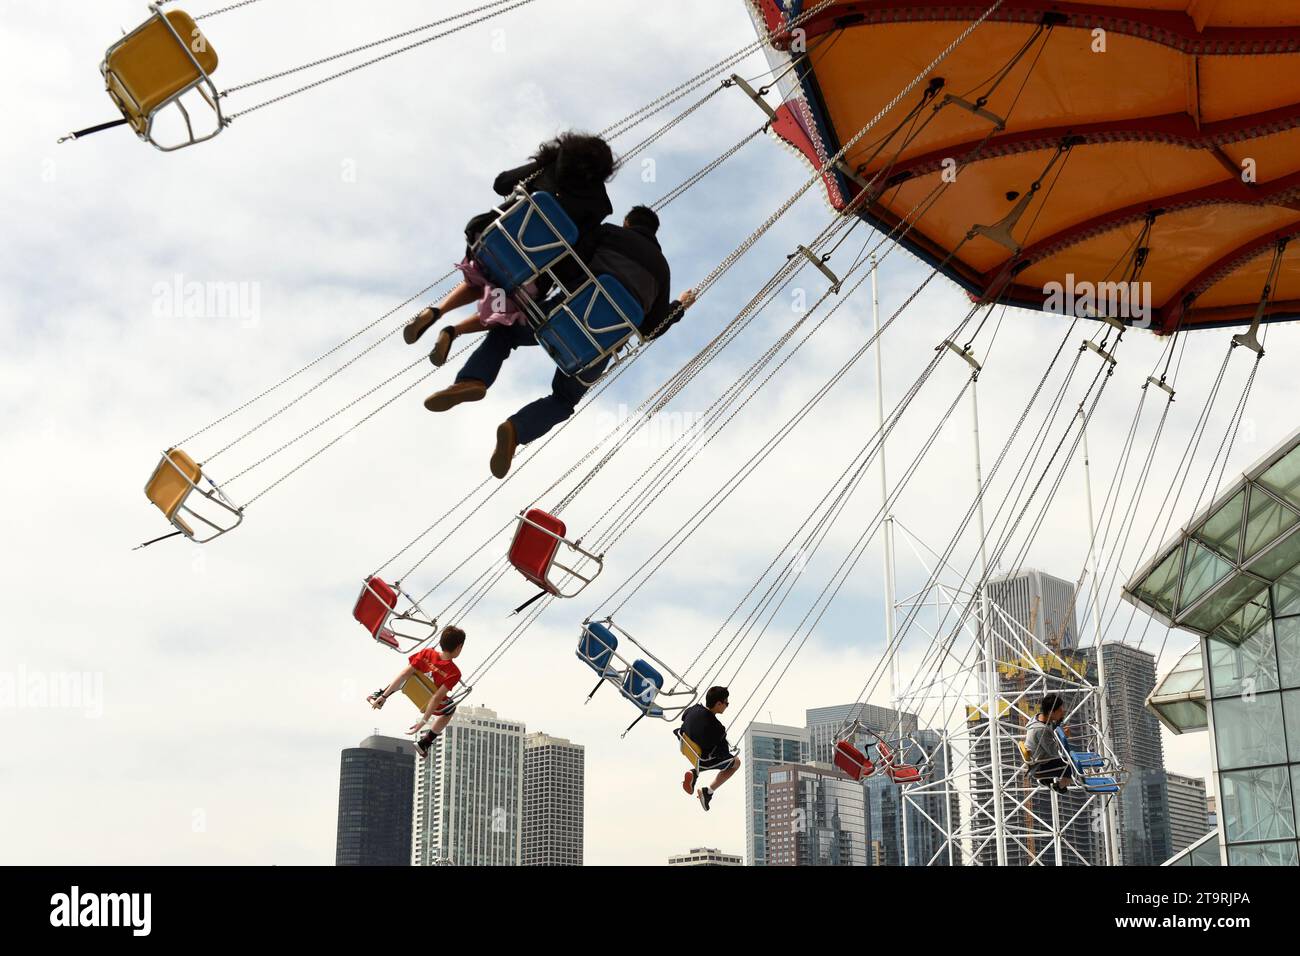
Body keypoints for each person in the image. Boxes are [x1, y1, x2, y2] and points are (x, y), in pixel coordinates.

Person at [422, 205, 698, 478]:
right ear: (655, 233)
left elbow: (568, 262)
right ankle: (516, 429)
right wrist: (679, 308)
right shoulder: (663, 271)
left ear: (627, 222)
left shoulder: (609, 233)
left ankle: (473, 380)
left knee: (505, 331)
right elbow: (652, 328)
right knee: (564, 400)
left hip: (563, 313)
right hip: (597, 346)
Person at [402, 132, 617, 364]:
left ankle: (438, 311)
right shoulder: (599, 207)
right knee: (509, 305)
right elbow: (576, 250)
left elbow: (501, 183)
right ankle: (454, 331)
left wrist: (541, 168)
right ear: (606, 170)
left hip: (497, 240)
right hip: (529, 271)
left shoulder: (554, 163)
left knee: (484, 276)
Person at [367, 625, 466, 758]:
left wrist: (385, 695)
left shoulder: (426, 653)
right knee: (451, 707)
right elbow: (436, 698)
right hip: (429, 704)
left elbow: (403, 674)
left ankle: (379, 695)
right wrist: (424, 721)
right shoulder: (454, 673)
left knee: (408, 674)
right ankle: (425, 742)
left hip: (409, 688)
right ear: (459, 647)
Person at [678, 686, 740, 812]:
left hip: (685, 746)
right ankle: (707, 789)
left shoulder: (694, 708)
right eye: (726, 703)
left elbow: (684, 717)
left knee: (713, 753)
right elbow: (723, 753)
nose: (727, 706)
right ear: (718, 703)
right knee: (736, 762)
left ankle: (696, 774)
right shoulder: (718, 728)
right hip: (700, 758)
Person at [1024, 693, 1073, 792]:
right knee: (1072, 766)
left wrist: (1059, 720)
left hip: (1037, 760)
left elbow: (1052, 728)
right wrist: (1064, 737)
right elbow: (1054, 751)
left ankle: (1047, 780)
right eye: (1059, 710)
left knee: (1071, 757)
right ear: (1051, 712)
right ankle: (1060, 785)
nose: (1062, 712)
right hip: (1040, 766)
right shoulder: (1041, 730)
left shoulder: (1037, 718)